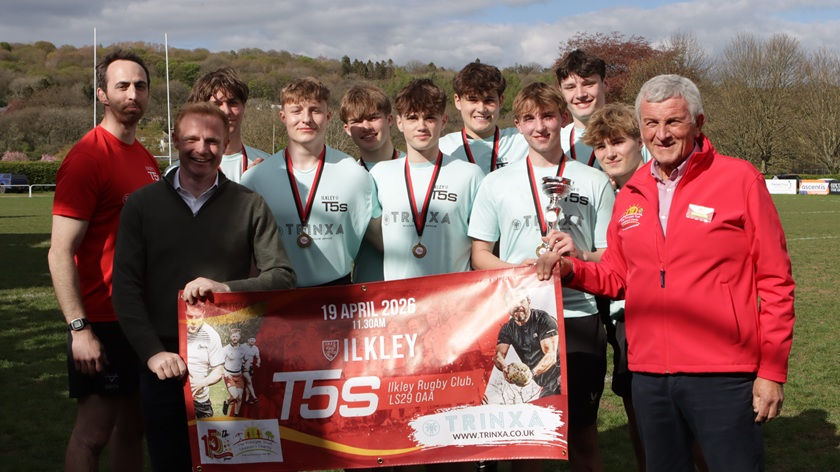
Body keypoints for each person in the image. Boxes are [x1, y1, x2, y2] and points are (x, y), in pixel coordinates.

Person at [542, 74, 795, 472]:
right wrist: (571, 271)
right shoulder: (631, 191)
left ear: (698, 123)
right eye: (651, 123)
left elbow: (776, 281)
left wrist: (772, 371)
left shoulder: (740, 179)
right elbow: (619, 276)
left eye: (673, 122)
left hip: (723, 372)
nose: (661, 135)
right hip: (649, 375)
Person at [112, 102, 296, 470]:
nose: (201, 148)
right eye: (192, 138)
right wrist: (152, 353)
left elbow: (283, 277)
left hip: (228, 356)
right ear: (176, 140)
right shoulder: (142, 205)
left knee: (230, 462)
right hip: (166, 359)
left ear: (227, 142)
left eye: (212, 140)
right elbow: (125, 288)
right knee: (170, 459)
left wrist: (226, 288)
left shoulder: (249, 205)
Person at [468, 82, 615, 472]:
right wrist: (524, 274)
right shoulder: (496, 182)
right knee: (522, 435)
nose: (540, 126)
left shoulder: (593, 179)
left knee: (582, 433)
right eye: (529, 118)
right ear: (517, 125)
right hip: (517, 320)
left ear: (563, 119)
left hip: (578, 317)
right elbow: (480, 255)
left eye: (548, 116)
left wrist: (580, 255)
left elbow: (611, 256)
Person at [48, 49, 159, 472]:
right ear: (102, 94)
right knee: (93, 434)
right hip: (100, 321)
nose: (133, 93)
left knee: (133, 429)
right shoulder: (88, 157)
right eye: (122, 86)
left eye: (141, 86)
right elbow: (60, 252)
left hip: (137, 318)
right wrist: (79, 329)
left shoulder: (146, 159)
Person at [241, 77, 377, 287]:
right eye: (296, 110)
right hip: (277, 295)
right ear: (283, 116)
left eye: (315, 110)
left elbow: (383, 243)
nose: (306, 119)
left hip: (336, 296)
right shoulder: (255, 178)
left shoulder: (355, 175)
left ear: (328, 116)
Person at [369, 78, 484, 280]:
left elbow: (483, 246)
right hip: (401, 303)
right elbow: (376, 236)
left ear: (444, 121)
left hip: (455, 301)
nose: (421, 126)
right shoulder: (379, 174)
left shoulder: (470, 175)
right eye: (412, 118)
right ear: (399, 123)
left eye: (430, 118)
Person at [339, 84, 403, 282]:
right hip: (367, 295)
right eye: (357, 120)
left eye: (374, 117)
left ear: (390, 120)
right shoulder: (343, 179)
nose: (366, 126)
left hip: (419, 290)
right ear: (347, 129)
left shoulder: (418, 169)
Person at [166, 67, 270, 181]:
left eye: (233, 103)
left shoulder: (268, 165)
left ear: (243, 107)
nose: (226, 111)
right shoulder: (178, 172)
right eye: (216, 104)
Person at [438, 62, 530, 174]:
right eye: (473, 100)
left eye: (489, 100)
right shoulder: (441, 147)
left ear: (500, 101)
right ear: (457, 101)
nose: (481, 109)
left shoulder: (524, 140)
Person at [494, 287, 560, 398]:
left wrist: (532, 373)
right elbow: (498, 356)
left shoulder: (543, 319)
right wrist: (504, 368)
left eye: (521, 301)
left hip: (561, 375)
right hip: (545, 384)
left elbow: (551, 355)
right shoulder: (507, 329)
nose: (518, 306)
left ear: (529, 302)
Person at [553, 49, 608, 170]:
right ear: (561, 91)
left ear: (605, 84)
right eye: (570, 87)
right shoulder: (554, 141)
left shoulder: (633, 136)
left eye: (588, 84)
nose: (580, 94)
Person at [185, 302, 224, 419]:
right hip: (174, 397)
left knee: (207, 436)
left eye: (198, 317)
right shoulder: (175, 330)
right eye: (190, 316)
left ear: (204, 314)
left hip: (200, 401)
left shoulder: (211, 335)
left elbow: (219, 370)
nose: (193, 322)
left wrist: (202, 383)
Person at [221, 328, 246, 416]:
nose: (235, 337)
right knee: (235, 396)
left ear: (240, 337)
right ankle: (227, 401)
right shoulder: (225, 349)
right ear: (230, 337)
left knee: (239, 398)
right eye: (233, 336)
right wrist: (225, 372)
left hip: (239, 376)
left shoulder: (243, 349)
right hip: (229, 376)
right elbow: (220, 363)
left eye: (236, 336)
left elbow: (245, 360)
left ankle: (236, 416)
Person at [242, 336, 261, 404]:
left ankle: (247, 399)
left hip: (250, 366)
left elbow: (258, 357)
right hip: (243, 367)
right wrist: (243, 363)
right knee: (249, 381)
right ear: (248, 339)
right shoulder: (243, 346)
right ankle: (254, 397)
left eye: (254, 339)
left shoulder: (255, 348)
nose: (252, 341)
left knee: (248, 383)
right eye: (251, 339)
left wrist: (258, 363)